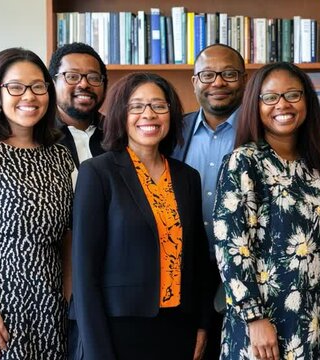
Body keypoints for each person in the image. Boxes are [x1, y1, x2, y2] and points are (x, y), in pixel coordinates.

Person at [70, 72, 217, 359]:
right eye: (136, 106)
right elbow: (84, 272)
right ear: (120, 115)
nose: (148, 114)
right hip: (118, 329)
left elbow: (198, 258)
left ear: (171, 115)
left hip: (177, 326)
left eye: (159, 106)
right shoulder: (98, 173)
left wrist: (202, 325)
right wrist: (96, 350)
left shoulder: (187, 177)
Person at [212, 62, 320, 359]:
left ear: (307, 101)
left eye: (292, 95)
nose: (282, 104)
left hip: (311, 324)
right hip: (259, 326)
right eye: (270, 97)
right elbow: (230, 247)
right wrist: (255, 319)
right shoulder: (244, 162)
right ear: (255, 105)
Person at [0, 48, 74, 359]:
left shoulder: (59, 155)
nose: (28, 96)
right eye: (16, 87)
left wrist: (69, 298)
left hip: (49, 299)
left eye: (38, 86)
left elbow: (68, 234)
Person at [171, 44, 246, 359]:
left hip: (245, 279)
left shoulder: (260, 130)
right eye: (208, 74)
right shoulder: (173, 131)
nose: (218, 82)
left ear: (244, 79)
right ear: (194, 82)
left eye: (228, 74)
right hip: (186, 277)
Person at [48, 42, 107, 169]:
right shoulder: (38, 135)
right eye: (72, 76)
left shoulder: (116, 132)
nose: (84, 84)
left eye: (93, 77)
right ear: (53, 84)